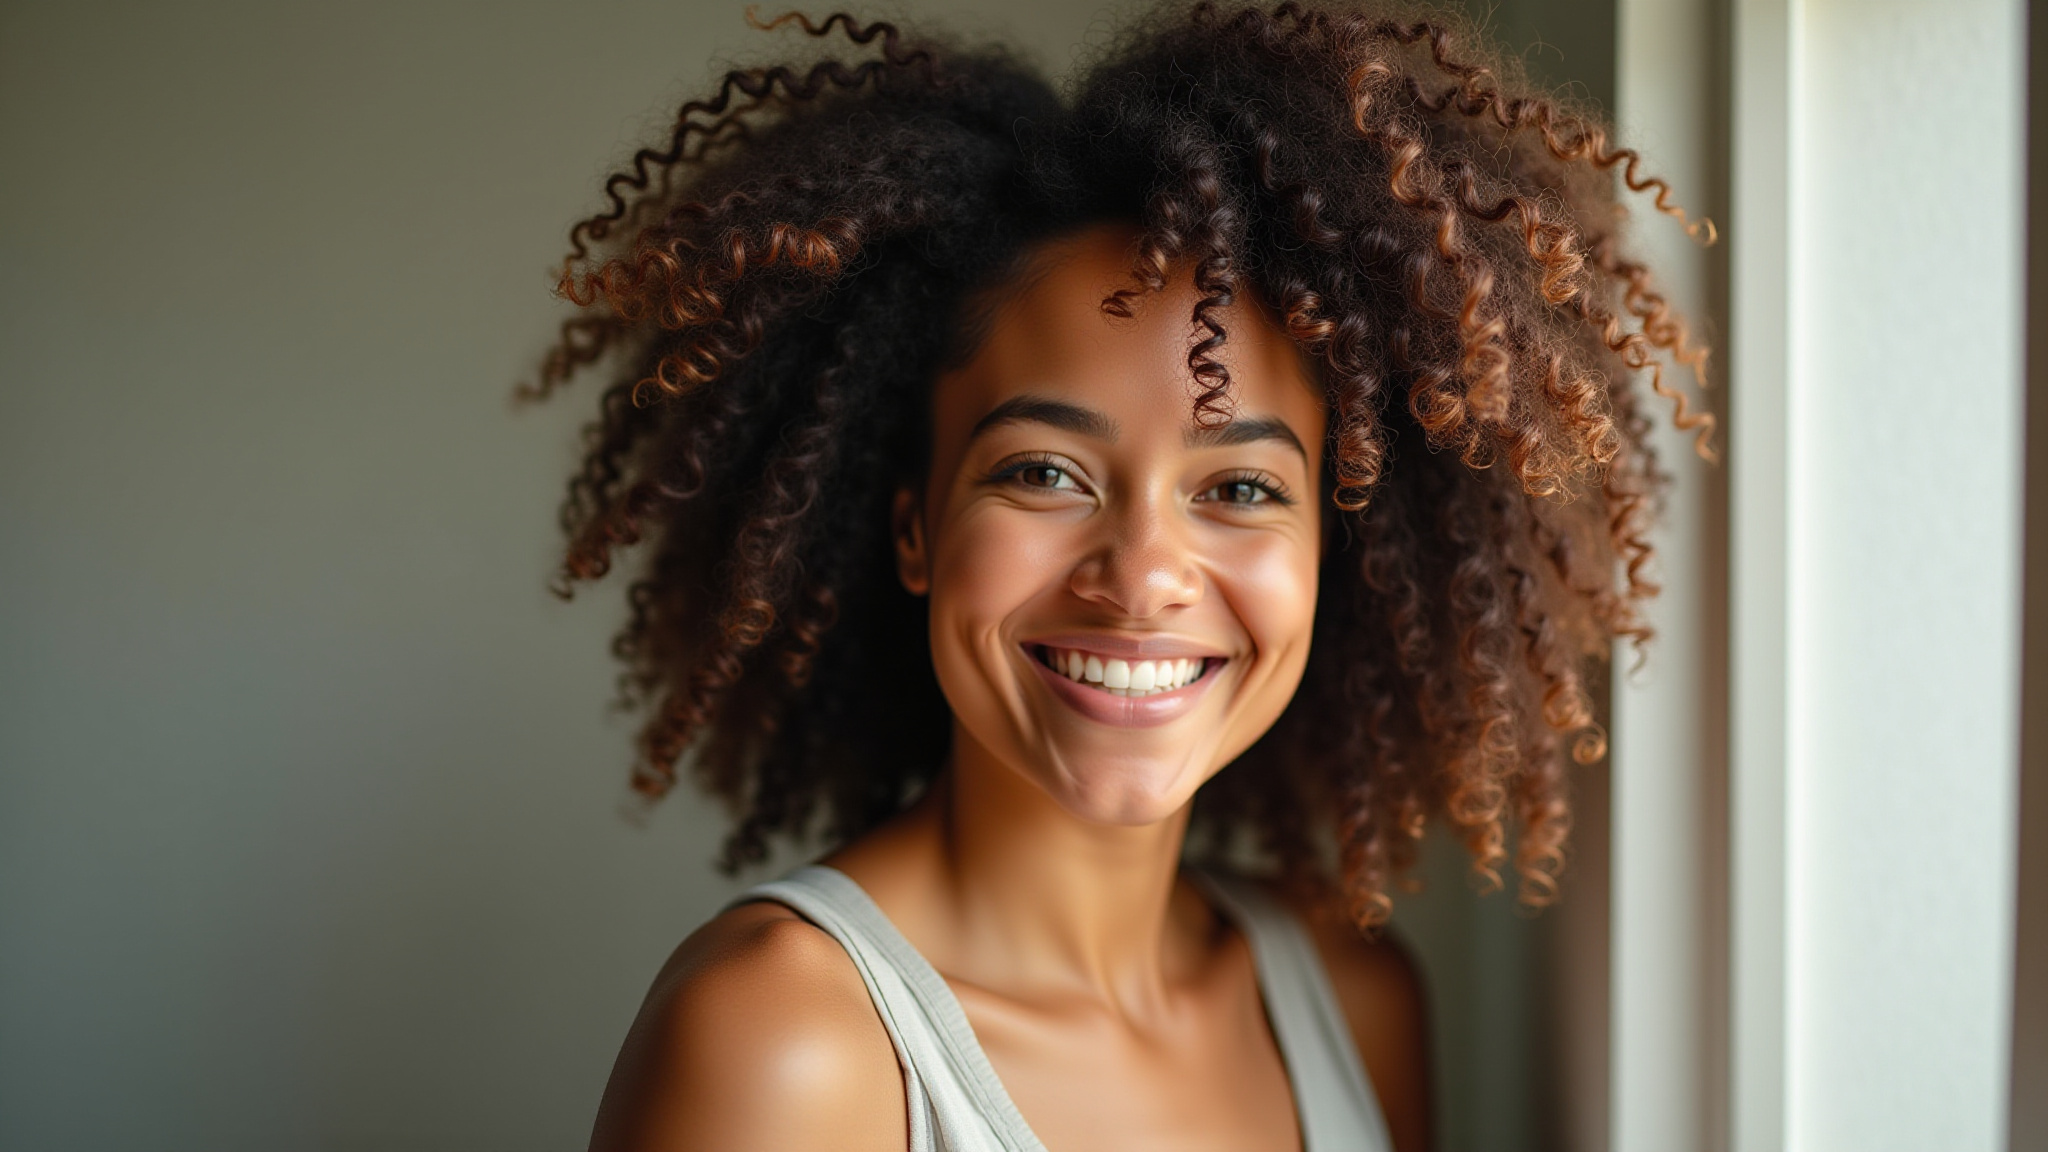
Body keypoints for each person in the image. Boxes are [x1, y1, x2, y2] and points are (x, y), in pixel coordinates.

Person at [529, 3, 1710, 1149]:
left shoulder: (1356, 1004)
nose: (1142, 577)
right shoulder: (783, 1046)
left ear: (1325, 554)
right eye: (1044, 473)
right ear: (913, 530)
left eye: (1240, 490)